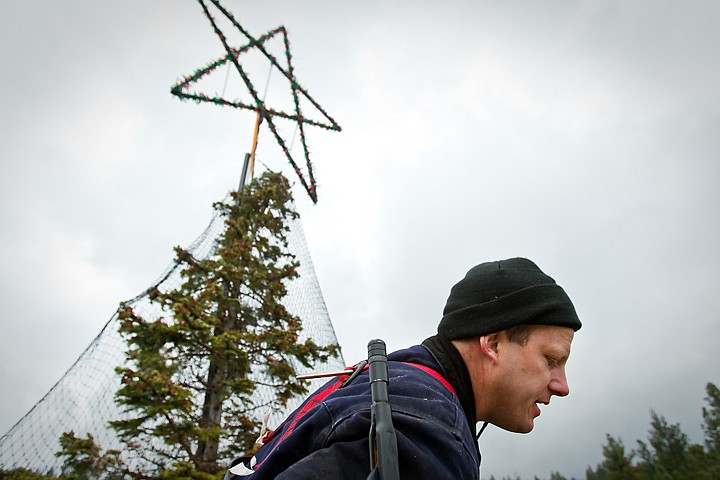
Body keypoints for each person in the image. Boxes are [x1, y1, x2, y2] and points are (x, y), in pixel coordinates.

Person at [225, 257, 582, 479]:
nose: (562, 385)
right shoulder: (427, 435)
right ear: (493, 343)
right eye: (551, 360)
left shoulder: (397, 381)